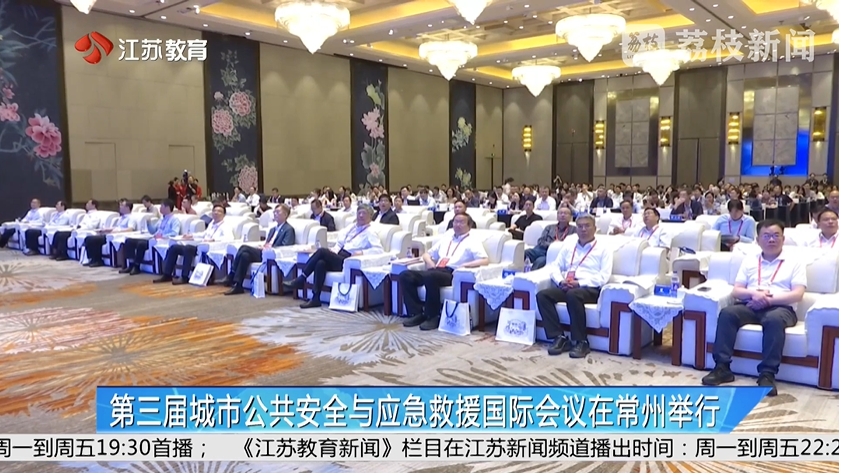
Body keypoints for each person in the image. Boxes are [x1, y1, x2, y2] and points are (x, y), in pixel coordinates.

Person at [701, 219, 807, 396]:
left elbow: (798, 294)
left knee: (773, 320)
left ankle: (767, 374)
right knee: (728, 313)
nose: (771, 239)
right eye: (766, 236)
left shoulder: (794, 262)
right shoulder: (750, 261)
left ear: (783, 238)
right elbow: (737, 291)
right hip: (751, 304)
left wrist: (768, 300)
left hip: (781, 307)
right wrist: (754, 294)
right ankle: (722, 368)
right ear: (758, 240)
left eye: (776, 235)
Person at [537, 214, 612, 359]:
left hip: (589, 288)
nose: (583, 229)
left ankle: (581, 341)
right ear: (576, 229)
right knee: (543, 295)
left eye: (587, 226)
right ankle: (559, 337)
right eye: (580, 226)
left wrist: (579, 283)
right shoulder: (569, 246)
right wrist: (561, 281)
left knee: (573, 295)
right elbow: (555, 267)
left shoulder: (603, 249)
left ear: (595, 228)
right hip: (567, 285)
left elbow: (604, 276)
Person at [399, 212, 489, 330]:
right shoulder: (447, 238)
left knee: (430, 277)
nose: (458, 225)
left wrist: (465, 265)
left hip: (452, 273)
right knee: (405, 275)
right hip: (436, 269)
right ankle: (416, 313)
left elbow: (484, 260)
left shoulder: (473, 241)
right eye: (456, 222)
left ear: (469, 225)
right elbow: (427, 254)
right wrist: (430, 262)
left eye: (462, 222)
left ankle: (432, 316)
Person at [284, 206, 383, 309]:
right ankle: (315, 298)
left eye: (364, 213)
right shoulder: (351, 227)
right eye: (359, 213)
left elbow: (378, 249)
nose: (361, 216)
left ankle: (301, 278)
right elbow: (339, 244)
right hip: (338, 255)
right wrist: (334, 250)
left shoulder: (370, 232)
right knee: (320, 263)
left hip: (348, 260)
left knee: (322, 251)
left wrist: (362, 252)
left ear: (370, 216)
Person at [224, 204, 295, 295]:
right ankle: (238, 285)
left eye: (277, 212)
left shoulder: (289, 229)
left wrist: (269, 248)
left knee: (243, 248)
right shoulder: (273, 229)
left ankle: (231, 274)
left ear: (285, 214)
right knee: (244, 255)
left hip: (272, 254)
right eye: (274, 212)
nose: (275, 214)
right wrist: (263, 246)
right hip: (265, 252)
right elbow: (268, 242)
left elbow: (286, 246)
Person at [155, 204, 233, 284]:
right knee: (174, 247)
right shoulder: (212, 223)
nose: (216, 213)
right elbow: (204, 233)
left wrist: (214, 239)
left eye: (219, 211)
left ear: (224, 214)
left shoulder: (225, 226)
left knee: (188, 248)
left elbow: (229, 238)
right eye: (214, 211)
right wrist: (192, 235)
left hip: (210, 247)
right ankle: (167, 274)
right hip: (201, 245)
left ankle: (184, 277)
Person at [121, 199, 181, 275]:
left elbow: (175, 233)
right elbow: (153, 231)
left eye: (162, 206)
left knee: (141, 244)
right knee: (129, 241)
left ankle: (136, 266)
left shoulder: (174, 220)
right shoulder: (162, 219)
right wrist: (149, 224)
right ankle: (131, 264)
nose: (160, 208)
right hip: (154, 239)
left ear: (167, 208)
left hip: (162, 241)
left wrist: (162, 236)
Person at [83, 199, 136, 268]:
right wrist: (105, 230)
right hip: (111, 234)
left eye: (122, 206)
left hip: (117, 236)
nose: (120, 207)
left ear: (127, 208)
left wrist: (117, 232)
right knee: (89, 239)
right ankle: (93, 259)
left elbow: (130, 229)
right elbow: (116, 227)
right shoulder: (121, 218)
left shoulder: (131, 218)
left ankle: (98, 260)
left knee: (93, 240)